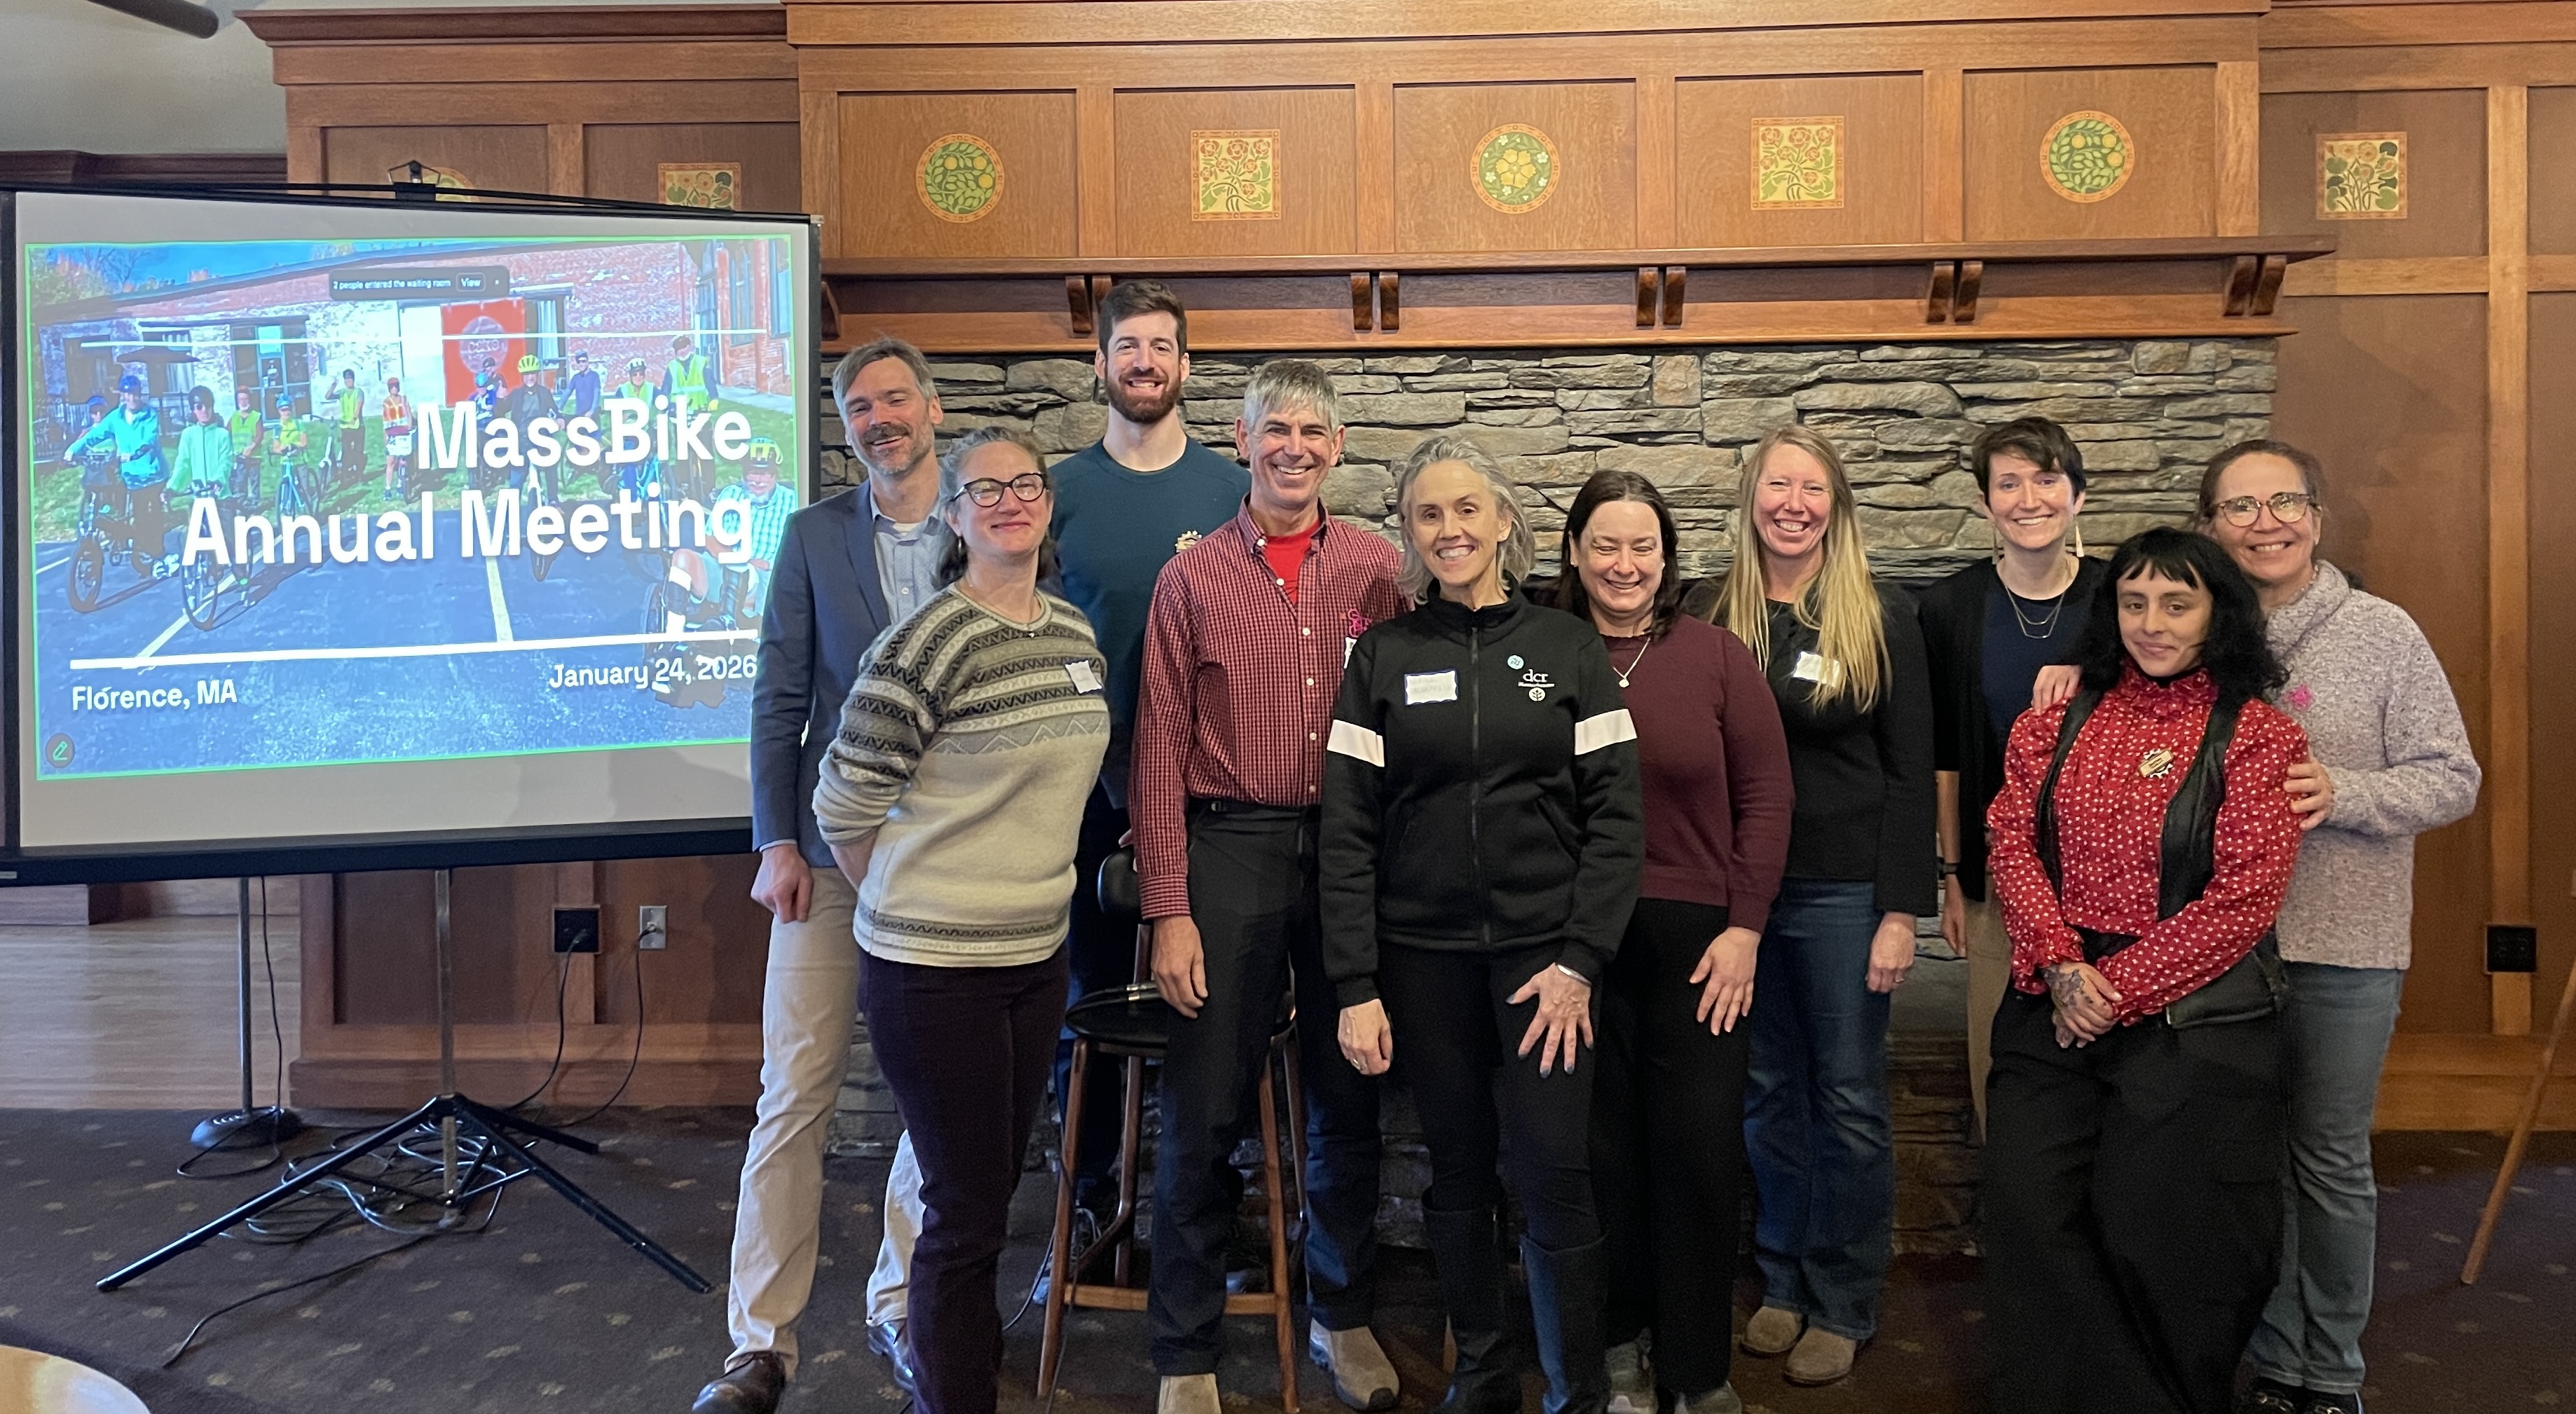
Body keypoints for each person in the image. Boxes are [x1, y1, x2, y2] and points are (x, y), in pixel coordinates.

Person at [1322, 433, 1643, 1414]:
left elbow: (1618, 819)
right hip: (1422, 966)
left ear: (1505, 519)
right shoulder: (1380, 653)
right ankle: (1484, 1371)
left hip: (1548, 967)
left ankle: (1576, 1389)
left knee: (1553, 1168)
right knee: (1456, 1170)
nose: (1450, 529)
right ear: (1410, 535)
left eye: (1468, 509)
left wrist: (1582, 960)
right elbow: (1346, 827)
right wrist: (1355, 984)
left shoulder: (1569, 647)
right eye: (1429, 514)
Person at [813, 425, 1109, 1414]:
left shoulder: (1072, 635)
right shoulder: (921, 645)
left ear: (1047, 503)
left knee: (989, 1198)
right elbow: (843, 807)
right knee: (966, 1214)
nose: (1009, 501)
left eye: (1025, 484)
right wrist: (911, 898)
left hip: (1037, 962)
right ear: (954, 514)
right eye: (985, 489)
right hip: (932, 974)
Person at [1982, 526, 2308, 1414]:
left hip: (2184, 1017)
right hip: (2052, 995)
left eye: (2177, 603)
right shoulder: (2049, 722)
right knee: (2026, 1204)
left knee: (2150, 1224)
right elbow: (2010, 839)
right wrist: (2060, 966)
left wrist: (2114, 989)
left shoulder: (2259, 738)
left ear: (2217, 614)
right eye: (2134, 602)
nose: (2152, 623)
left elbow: (2245, 898)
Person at [1132, 360, 1407, 1414]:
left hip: (1351, 848)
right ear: (1241, 442)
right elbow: (1157, 745)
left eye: (1313, 431)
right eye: (1274, 429)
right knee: (1203, 1108)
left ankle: (1343, 1315)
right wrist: (1169, 907)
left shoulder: (1381, 572)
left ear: (1336, 448)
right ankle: (1185, 1349)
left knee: (1348, 1095)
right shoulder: (1192, 578)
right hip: (1229, 848)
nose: (1293, 446)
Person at [2198, 443, 2479, 1414]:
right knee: (2250, 1155)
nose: (2264, 521)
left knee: (2326, 1155)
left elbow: (2454, 774)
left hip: (2345, 942)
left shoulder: (2382, 630)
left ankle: (2332, 1369)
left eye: (2284, 501)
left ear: (2316, 516)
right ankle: (2279, 1356)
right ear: (2211, 528)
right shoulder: (2201, 633)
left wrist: (2345, 790)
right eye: (2241, 506)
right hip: (2224, 943)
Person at [695, 341, 946, 1414]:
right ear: (845, 425)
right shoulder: (812, 537)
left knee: (930, 1099)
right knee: (792, 1094)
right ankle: (760, 1343)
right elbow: (777, 697)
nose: (880, 417)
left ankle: (899, 1303)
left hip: (948, 860)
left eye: (896, 397)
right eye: (860, 405)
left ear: (932, 406)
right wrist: (774, 842)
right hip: (825, 860)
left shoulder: (990, 518)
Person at [1558, 469, 1793, 1414]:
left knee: (1696, 1150)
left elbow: (1768, 798)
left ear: (1667, 557)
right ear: (1573, 552)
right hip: (1576, 942)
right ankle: (1616, 1341)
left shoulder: (1718, 656)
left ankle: (1696, 1364)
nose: (1625, 563)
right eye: (1605, 544)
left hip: (1702, 945)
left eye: (1642, 545)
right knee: (1598, 1149)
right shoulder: (1544, 653)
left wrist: (1745, 927)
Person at [1706, 423, 1933, 1387]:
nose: (1793, 503)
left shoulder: (1880, 613)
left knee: (1845, 1098)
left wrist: (1899, 909)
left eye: (1813, 489)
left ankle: (1843, 1296)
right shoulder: (1711, 609)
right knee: (1766, 1095)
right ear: (1751, 495)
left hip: (1845, 896)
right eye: (1777, 485)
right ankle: (1786, 1278)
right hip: (1740, 898)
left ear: (1836, 506)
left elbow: (1910, 768)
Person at [1047, 280, 1249, 1226]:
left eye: (1162, 346)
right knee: (1084, 991)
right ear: (1100, 363)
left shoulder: (1229, 492)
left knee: (1211, 997)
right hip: (1083, 785)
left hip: (1209, 789)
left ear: (1186, 366)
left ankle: (1209, 1202)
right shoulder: (1059, 493)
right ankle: (1088, 1201)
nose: (1144, 361)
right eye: (1127, 345)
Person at [1917, 418, 2109, 1137]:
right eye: (2009, 482)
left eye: (2047, 478)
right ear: (1984, 502)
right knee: (2001, 1052)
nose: (2029, 498)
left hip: (2112, 869)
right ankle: (2017, 1218)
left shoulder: (2120, 597)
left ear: (2077, 495)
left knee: (2105, 1048)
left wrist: (2088, 675)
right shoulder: (1948, 607)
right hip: (2000, 869)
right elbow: (1944, 755)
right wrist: (1954, 876)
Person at [64, 373, 174, 575]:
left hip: (152, 474)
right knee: (131, 514)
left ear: (140, 395)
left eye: (135, 395)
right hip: (131, 476)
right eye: (127, 395)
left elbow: (149, 440)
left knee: (152, 517)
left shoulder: (150, 414)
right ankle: (131, 542)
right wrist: (73, 449)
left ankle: (159, 554)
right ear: (122, 395)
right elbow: (95, 435)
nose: (131, 399)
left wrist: (134, 454)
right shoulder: (116, 417)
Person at [712, 438, 800, 614]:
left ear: (776, 473)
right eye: (752, 472)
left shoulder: (793, 501)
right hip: (728, 570)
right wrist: (745, 563)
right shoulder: (730, 494)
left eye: (766, 473)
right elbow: (708, 537)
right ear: (743, 472)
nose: (759, 480)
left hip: (771, 575)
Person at [664, 332, 722, 500]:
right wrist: (666, 405)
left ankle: (709, 487)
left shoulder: (701, 363)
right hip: (680, 416)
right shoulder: (672, 367)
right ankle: (685, 486)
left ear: (689, 347)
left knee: (705, 452)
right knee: (682, 454)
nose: (682, 352)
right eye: (678, 349)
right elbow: (666, 389)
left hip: (700, 414)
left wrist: (714, 399)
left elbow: (710, 383)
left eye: (684, 348)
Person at [169, 385, 233, 506]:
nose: (204, 410)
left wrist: (218, 482)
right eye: (199, 407)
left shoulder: (222, 434)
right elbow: (183, 464)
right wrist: (172, 488)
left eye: (208, 406)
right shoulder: (188, 435)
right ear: (193, 410)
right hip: (199, 499)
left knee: (226, 524)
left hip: (221, 498)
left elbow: (226, 463)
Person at [266, 392, 312, 515]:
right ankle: (287, 511)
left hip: (300, 459)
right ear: (279, 411)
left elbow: (304, 442)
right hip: (286, 462)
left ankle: (309, 514)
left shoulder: (298, 423)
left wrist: (295, 446)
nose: (286, 413)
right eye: (283, 410)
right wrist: (282, 448)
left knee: (305, 488)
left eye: (287, 409)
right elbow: (276, 447)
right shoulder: (278, 427)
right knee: (286, 489)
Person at [228, 387, 266, 507]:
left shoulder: (256, 416)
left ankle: (255, 504)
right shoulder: (234, 417)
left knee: (254, 481)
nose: (244, 402)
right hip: (239, 456)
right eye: (241, 399)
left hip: (254, 456)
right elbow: (226, 433)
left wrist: (252, 446)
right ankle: (242, 504)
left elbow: (260, 435)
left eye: (246, 399)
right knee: (240, 482)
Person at [331, 369, 366, 490]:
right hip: (346, 427)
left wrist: (355, 417)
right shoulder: (342, 392)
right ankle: (345, 477)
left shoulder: (359, 392)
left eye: (350, 379)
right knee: (346, 453)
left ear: (353, 380)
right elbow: (328, 396)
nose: (348, 381)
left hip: (357, 426)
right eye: (346, 379)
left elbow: (359, 404)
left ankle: (360, 475)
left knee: (359, 451)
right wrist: (333, 386)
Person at [382, 378, 413, 503]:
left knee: (402, 461)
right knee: (391, 462)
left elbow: (409, 414)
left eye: (396, 386)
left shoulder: (403, 399)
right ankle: (388, 488)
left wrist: (410, 426)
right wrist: (386, 438)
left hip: (403, 432)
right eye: (392, 386)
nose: (394, 388)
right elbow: (386, 419)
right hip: (392, 434)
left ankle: (401, 486)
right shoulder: (386, 402)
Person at [561, 348, 602, 420]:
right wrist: (559, 408)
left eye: (583, 361)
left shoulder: (594, 376)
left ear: (587, 362)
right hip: (579, 414)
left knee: (595, 431)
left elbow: (597, 394)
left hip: (592, 415)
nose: (581, 364)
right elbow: (567, 392)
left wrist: (592, 411)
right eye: (579, 362)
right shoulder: (576, 378)